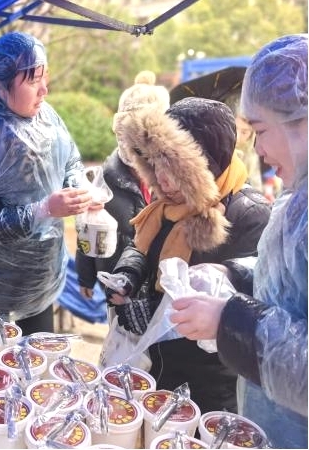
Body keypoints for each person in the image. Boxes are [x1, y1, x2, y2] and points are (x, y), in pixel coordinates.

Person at [171, 34, 307, 449]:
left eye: (261, 130)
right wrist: (232, 272)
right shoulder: (296, 197)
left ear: (303, 121)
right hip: (271, 417)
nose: (258, 150)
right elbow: (289, 279)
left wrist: (229, 322)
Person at [105, 96, 271, 414]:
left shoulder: (249, 214)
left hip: (209, 382)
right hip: (156, 364)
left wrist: (153, 313)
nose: (163, 179)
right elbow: (141, 247)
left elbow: (238, 307)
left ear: (205, 165)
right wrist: (128, 274)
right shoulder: (165, 205)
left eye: (175, 168)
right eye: (156, 164)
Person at [0, 31, 94, 335]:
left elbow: (71, 162)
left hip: (40, 275)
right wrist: (44, 210)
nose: (44, 90)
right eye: (33, 81)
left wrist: (81, 190)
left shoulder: (47, 118)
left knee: (40, 356)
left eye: (44, 78)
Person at [76, 71, 169, 307]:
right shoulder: (103, 180)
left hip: (158, 284)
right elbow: (87, 229)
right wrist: (86, 276)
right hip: (115, 281)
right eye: (125, 132)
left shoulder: (171, 180)